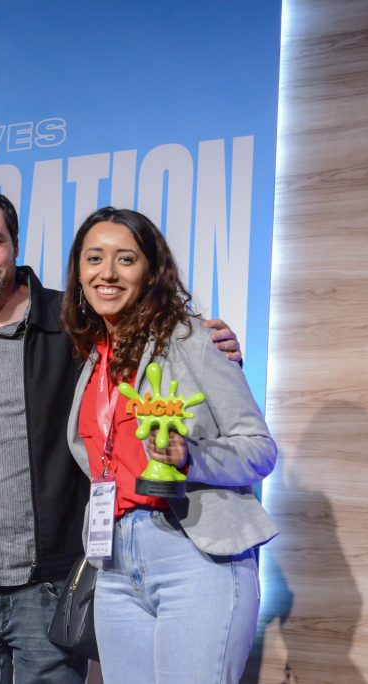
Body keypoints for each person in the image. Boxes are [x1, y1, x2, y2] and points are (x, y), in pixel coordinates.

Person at [0, 186, 246, 683]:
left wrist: (213, 349)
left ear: (15, 244)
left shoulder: (76, 322)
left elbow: (152, 338)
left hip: (48, 585)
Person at [61, 207, 278, 683]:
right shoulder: (93, 358)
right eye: (94, 258)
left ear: (151, 271)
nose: (107, 273)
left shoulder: (191, 340)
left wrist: (190, 457)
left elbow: (259, 449)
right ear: (78, 272)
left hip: (194, 555)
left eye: (126, 259)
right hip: (114, 562)